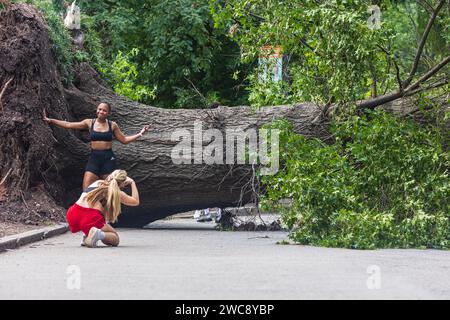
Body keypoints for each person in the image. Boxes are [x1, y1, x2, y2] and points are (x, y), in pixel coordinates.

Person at [43, 102, 149, 190]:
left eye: (104, 110)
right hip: (94, 158)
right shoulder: (89, 123)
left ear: (108, 113)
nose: (101, 112)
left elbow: (124, 140)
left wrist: (140, 134)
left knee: (109, 190)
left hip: (108, 159)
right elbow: (69, 125)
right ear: (96, 110)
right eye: (99, 109)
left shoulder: (112, 125)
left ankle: (106, 214)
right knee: (86, 190)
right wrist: (51, 120)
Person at [66, 169, 139, 248]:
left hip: (73, 213)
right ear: (122, 184)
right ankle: (98, 234)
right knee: (115, 238)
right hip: (90, 219)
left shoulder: (98, 182)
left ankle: (87, 236)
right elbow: (135, 201)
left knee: (99, 215)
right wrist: (132, 182)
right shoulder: (117, 193)